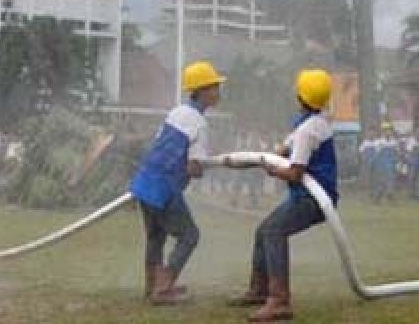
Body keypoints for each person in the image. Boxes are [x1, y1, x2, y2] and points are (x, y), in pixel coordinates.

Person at [231, 69, 339, 322]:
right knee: (263, 231)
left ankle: (279, 300)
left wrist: (273, 170)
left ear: (300, 97)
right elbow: (284, 149)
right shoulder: (316, 123)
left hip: (311, 200)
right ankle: (260, 290)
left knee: (273, 232)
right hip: (310, 196)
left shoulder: (308, 130)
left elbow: (295, 173)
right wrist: (263, 157)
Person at [129, 59, 224, 305]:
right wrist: (204, 167)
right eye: (213, 86)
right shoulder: (200, 123)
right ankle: (164, 288)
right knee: (190, 235)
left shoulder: (175, 112)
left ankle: (152, 286)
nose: (217, 91)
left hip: (144, 181)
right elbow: (194, 167)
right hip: (165, 188)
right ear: (201, 91)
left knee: (155, 237)